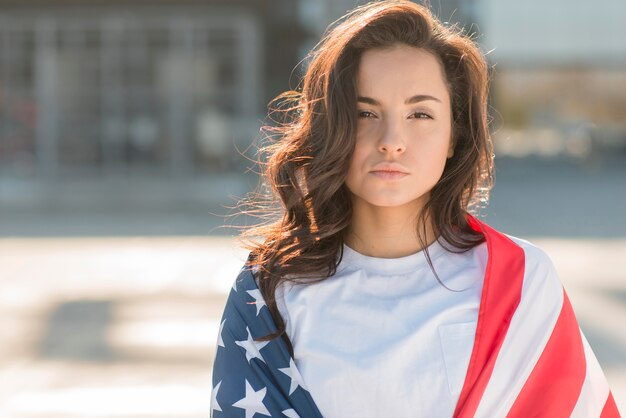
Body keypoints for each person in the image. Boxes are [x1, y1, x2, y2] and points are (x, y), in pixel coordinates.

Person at [210, 1, 620, 417]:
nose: (392, 140)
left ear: (455, 136)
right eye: (365, 112)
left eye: (420, 113)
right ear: (331, 126)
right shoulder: (271, 288)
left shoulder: (520, 280)